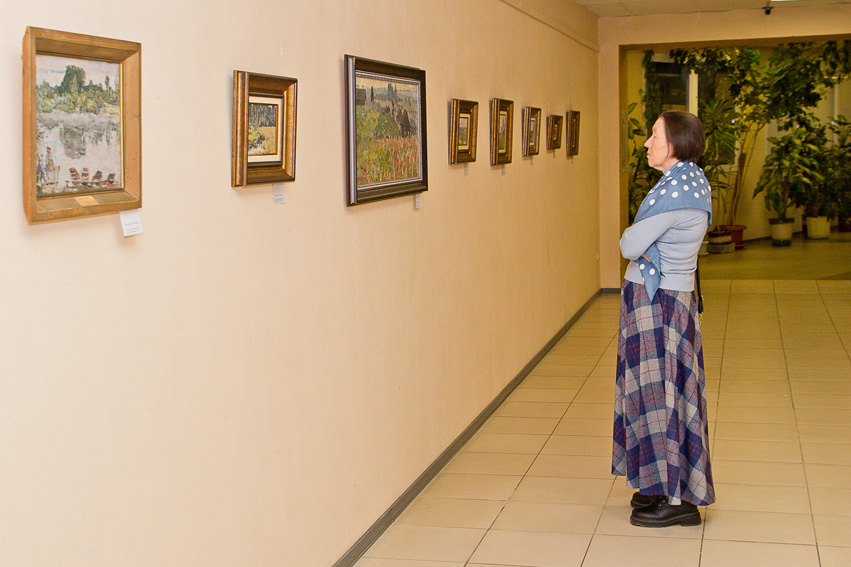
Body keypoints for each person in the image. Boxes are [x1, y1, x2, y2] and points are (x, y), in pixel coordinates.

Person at [611, 110, 715, 528]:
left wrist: (636, 240)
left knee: (664, 397)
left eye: (654, 135)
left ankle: (677, 499)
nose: (647, 142)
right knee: (658, 394)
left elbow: (629, 243)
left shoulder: (678, 192)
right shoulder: (689, 181)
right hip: (665, 300)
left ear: (675, 143)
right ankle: (659, 482)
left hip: (660, 304)